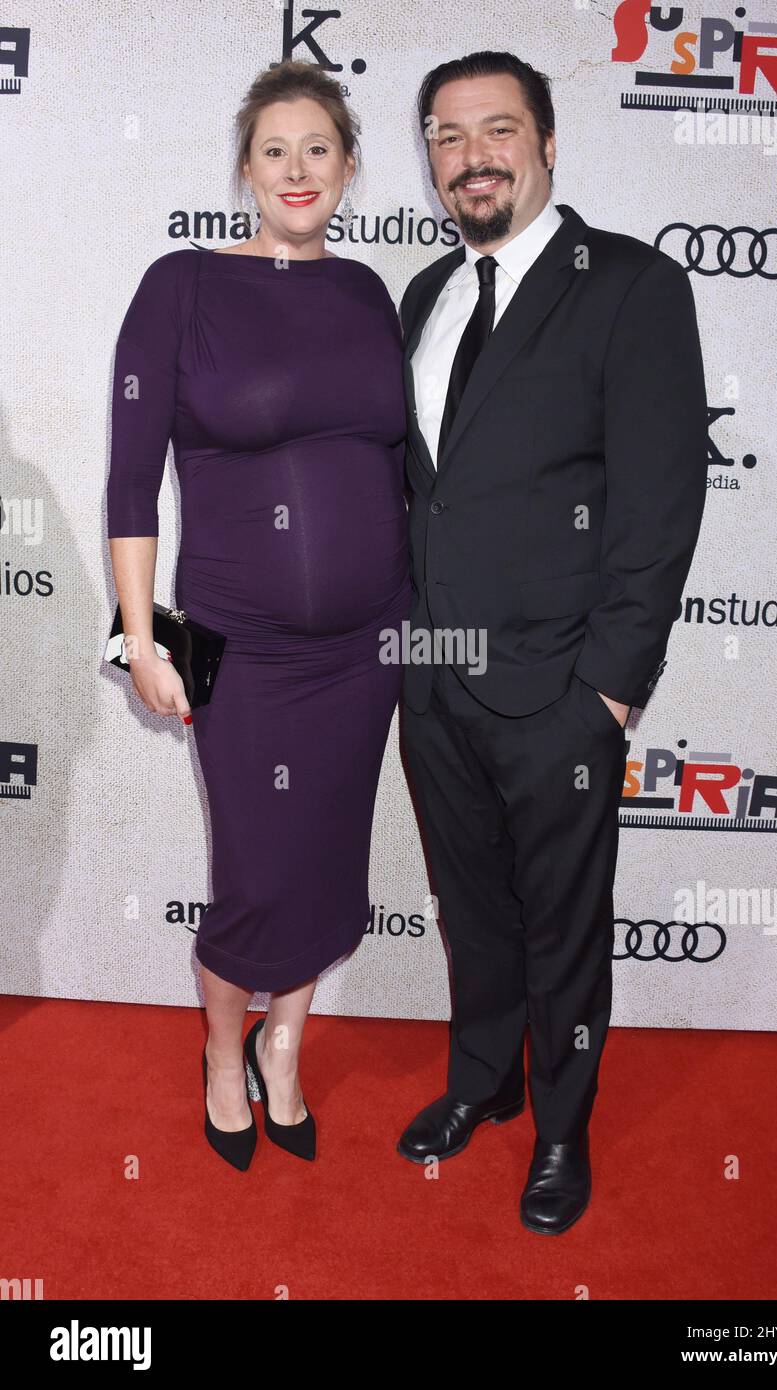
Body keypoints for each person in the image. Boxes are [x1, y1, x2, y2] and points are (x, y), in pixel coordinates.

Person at [396, 50, 708, 1233]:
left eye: (494, 129)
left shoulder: (627, 285)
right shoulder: (423, 294)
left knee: (563, 925)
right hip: (432, 686)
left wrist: (609, 693)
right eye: (444, 134)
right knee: (468, 907)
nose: (469, 155)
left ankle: (562, 1128)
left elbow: (657, 503)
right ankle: (481, 1085)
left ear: (545, 141)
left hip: (560, 693)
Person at [106, 60, 410, 1171]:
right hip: (241, 645)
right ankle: (221, 1050)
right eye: (274, 150)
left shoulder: (367, 291)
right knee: (255, 868)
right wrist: (140, 637)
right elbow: (132, 483)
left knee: (327, 861)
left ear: (346, 167)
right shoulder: (180, 285)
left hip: (370, 639)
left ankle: (285, 1048)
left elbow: (397, 462)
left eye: (318, 149)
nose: (296, 170)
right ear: (243, 167)